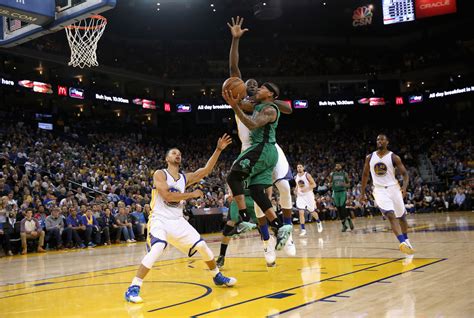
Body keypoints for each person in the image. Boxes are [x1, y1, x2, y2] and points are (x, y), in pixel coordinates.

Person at [125, 134, 235, 304]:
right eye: (174, 153)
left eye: (179, 154)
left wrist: (218, 150)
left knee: (203, 247)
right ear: (167, 158)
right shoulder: (160, 174)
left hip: (177, 220)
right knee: (158, 248)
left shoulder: (184, 178)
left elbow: (205, 171)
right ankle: (133, 287)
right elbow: (167, 195)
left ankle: (217, 276)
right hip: (159, 219)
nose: (178, 155)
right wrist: (192, 194)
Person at [222, 16, 293, 260]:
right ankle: (273, 234)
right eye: (249, 83)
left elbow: (288, 109)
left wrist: (270, 99)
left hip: (266, 146)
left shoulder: (266, 105)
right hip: (250, 147)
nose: (252, 85)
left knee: (283, 185)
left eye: (256, 84)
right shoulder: (241, 99)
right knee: (256, 192)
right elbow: (233, 69)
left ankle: (288, 231)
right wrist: (235, 40)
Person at [360, 134, 415, 255]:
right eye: (378, 139)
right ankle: (401, 242)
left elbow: (405, 174)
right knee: (390, 214)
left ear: (387, 142)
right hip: (379, 190)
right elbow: (365, 175)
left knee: (402, 217)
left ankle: (406, 239)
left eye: (382, 139)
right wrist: (362, 193)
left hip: (394, 188)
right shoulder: (369, 157)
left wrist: (404, 188)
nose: (379, 141)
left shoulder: (394, 157)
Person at [294, 164, 323, 236]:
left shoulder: (307, 175)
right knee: (301, 212)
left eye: (300, 167)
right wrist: (295, 190)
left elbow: (314, 185)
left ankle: (318, 222)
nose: (299, 168)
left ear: (303, 168)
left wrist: (306, 189)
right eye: (298, 167)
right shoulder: (296, 176)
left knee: (312, 211)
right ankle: (303, 229)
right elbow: (297, 185)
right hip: (300, 197)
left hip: (308, 196)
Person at [329, 163, 352, 232]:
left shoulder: (345, 174)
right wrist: (330, 185)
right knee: (338, 209)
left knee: (342, 207)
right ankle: (344, 223)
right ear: (335, 167)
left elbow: (349, 184)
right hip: (335, 193)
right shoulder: (332, 174)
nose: (337, 167)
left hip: (342, 192)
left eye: (339, 165)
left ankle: (347, 220)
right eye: (336, 166)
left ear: (341, 167)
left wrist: (345, 184)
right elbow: (329, 183)